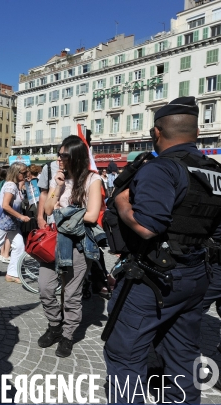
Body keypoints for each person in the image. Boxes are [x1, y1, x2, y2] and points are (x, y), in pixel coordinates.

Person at [104, 97, 221, 403]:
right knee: (182, 356)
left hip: (155, 277)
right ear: (196, 133)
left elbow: (148, 226)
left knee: (124, 356)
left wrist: (121, 203)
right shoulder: (214, 172)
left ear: (156, 133)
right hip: (196, 274)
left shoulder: (162, 168)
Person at [40, 136, 103, 358]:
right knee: (46, 287)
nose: (59, 158)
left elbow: (93, 215)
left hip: (77, 243)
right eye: (58, 153)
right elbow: (48, 210)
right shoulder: (59, 178)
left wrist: (63, 212)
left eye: (63, 155)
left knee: (72, 293)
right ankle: (55, 325)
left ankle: (67, 335)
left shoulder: (92, 180)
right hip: (53, 241)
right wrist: (57, 186)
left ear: (75, 156)